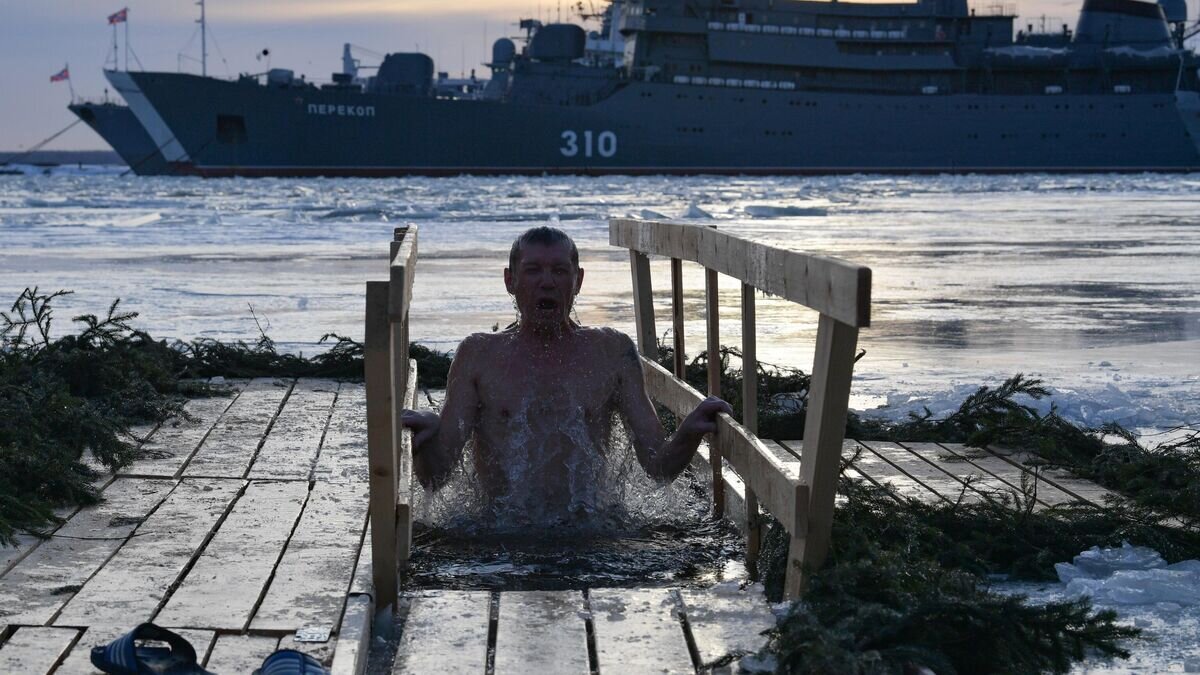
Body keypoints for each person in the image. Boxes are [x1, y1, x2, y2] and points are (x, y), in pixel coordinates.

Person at [401, 226, 731, 515]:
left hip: (588, 531)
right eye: (533, 270)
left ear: (578, 280)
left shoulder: (611, 352)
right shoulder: (479, 355)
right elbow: (436, 477)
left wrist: (690, 432)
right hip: (501, 536)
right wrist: (424, 439)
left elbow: (658, 466)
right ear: (510, 280)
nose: (547, 282)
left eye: (559, 270)